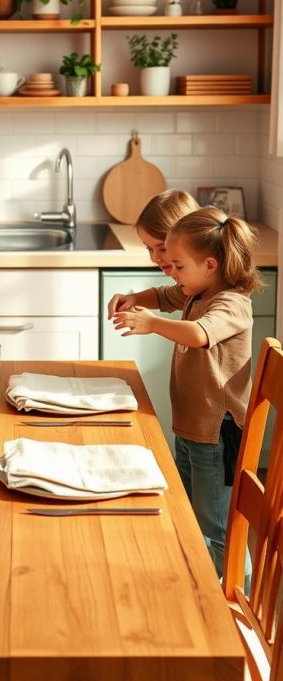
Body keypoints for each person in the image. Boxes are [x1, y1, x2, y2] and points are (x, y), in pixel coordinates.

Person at [109, 206, 261, 579]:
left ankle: (233, 598)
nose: (171, 273)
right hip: (191, 427)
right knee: (193, 516)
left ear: (210, 265)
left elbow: (199, 334)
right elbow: (164, 295)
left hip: (216, 434)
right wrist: (136, 299)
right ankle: (201, 584)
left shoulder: (231, 303)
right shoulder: (197, 290)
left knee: (218, 528)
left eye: (178, 266)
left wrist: (152, 323)